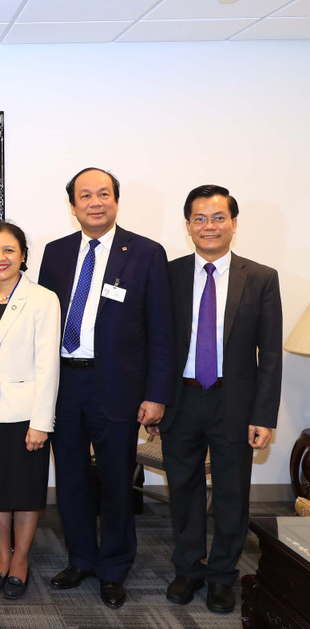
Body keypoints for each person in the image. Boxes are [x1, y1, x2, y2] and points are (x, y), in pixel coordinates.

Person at [38, 167, 173, 609]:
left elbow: (161, 330)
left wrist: (156, 394)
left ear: (116, 201)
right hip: (63, 382)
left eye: (103, 195)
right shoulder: (55, 254)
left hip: (117, 386)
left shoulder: (147, 253)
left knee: (117, 479)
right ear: (72, 204)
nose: (94, 203)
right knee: (72, 477)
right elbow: (43, 324)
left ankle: (114, 569)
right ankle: (81, 559)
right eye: (85, 196)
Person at [158, 185, 282, 614]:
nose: (208, 226)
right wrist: (155, 399)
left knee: (232, 493)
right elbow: (157, 344)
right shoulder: (170, 275)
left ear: (233, 223)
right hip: (181, 400)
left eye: (218, 218)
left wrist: (264, 415)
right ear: (188, 225)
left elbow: (270, 354)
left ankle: (222, 575)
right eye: (199, 218)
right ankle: (188, 568)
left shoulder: (261, 277)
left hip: (235, 402)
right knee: (185, 491)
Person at [0, 222, 60, 599]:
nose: (0, 258)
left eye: (8, 250)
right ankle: (1, 555)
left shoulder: (43, 299)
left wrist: (42, 422)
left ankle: (21, 557)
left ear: (22, 254)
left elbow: (48, 365)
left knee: (23, 488)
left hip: (25, 413)